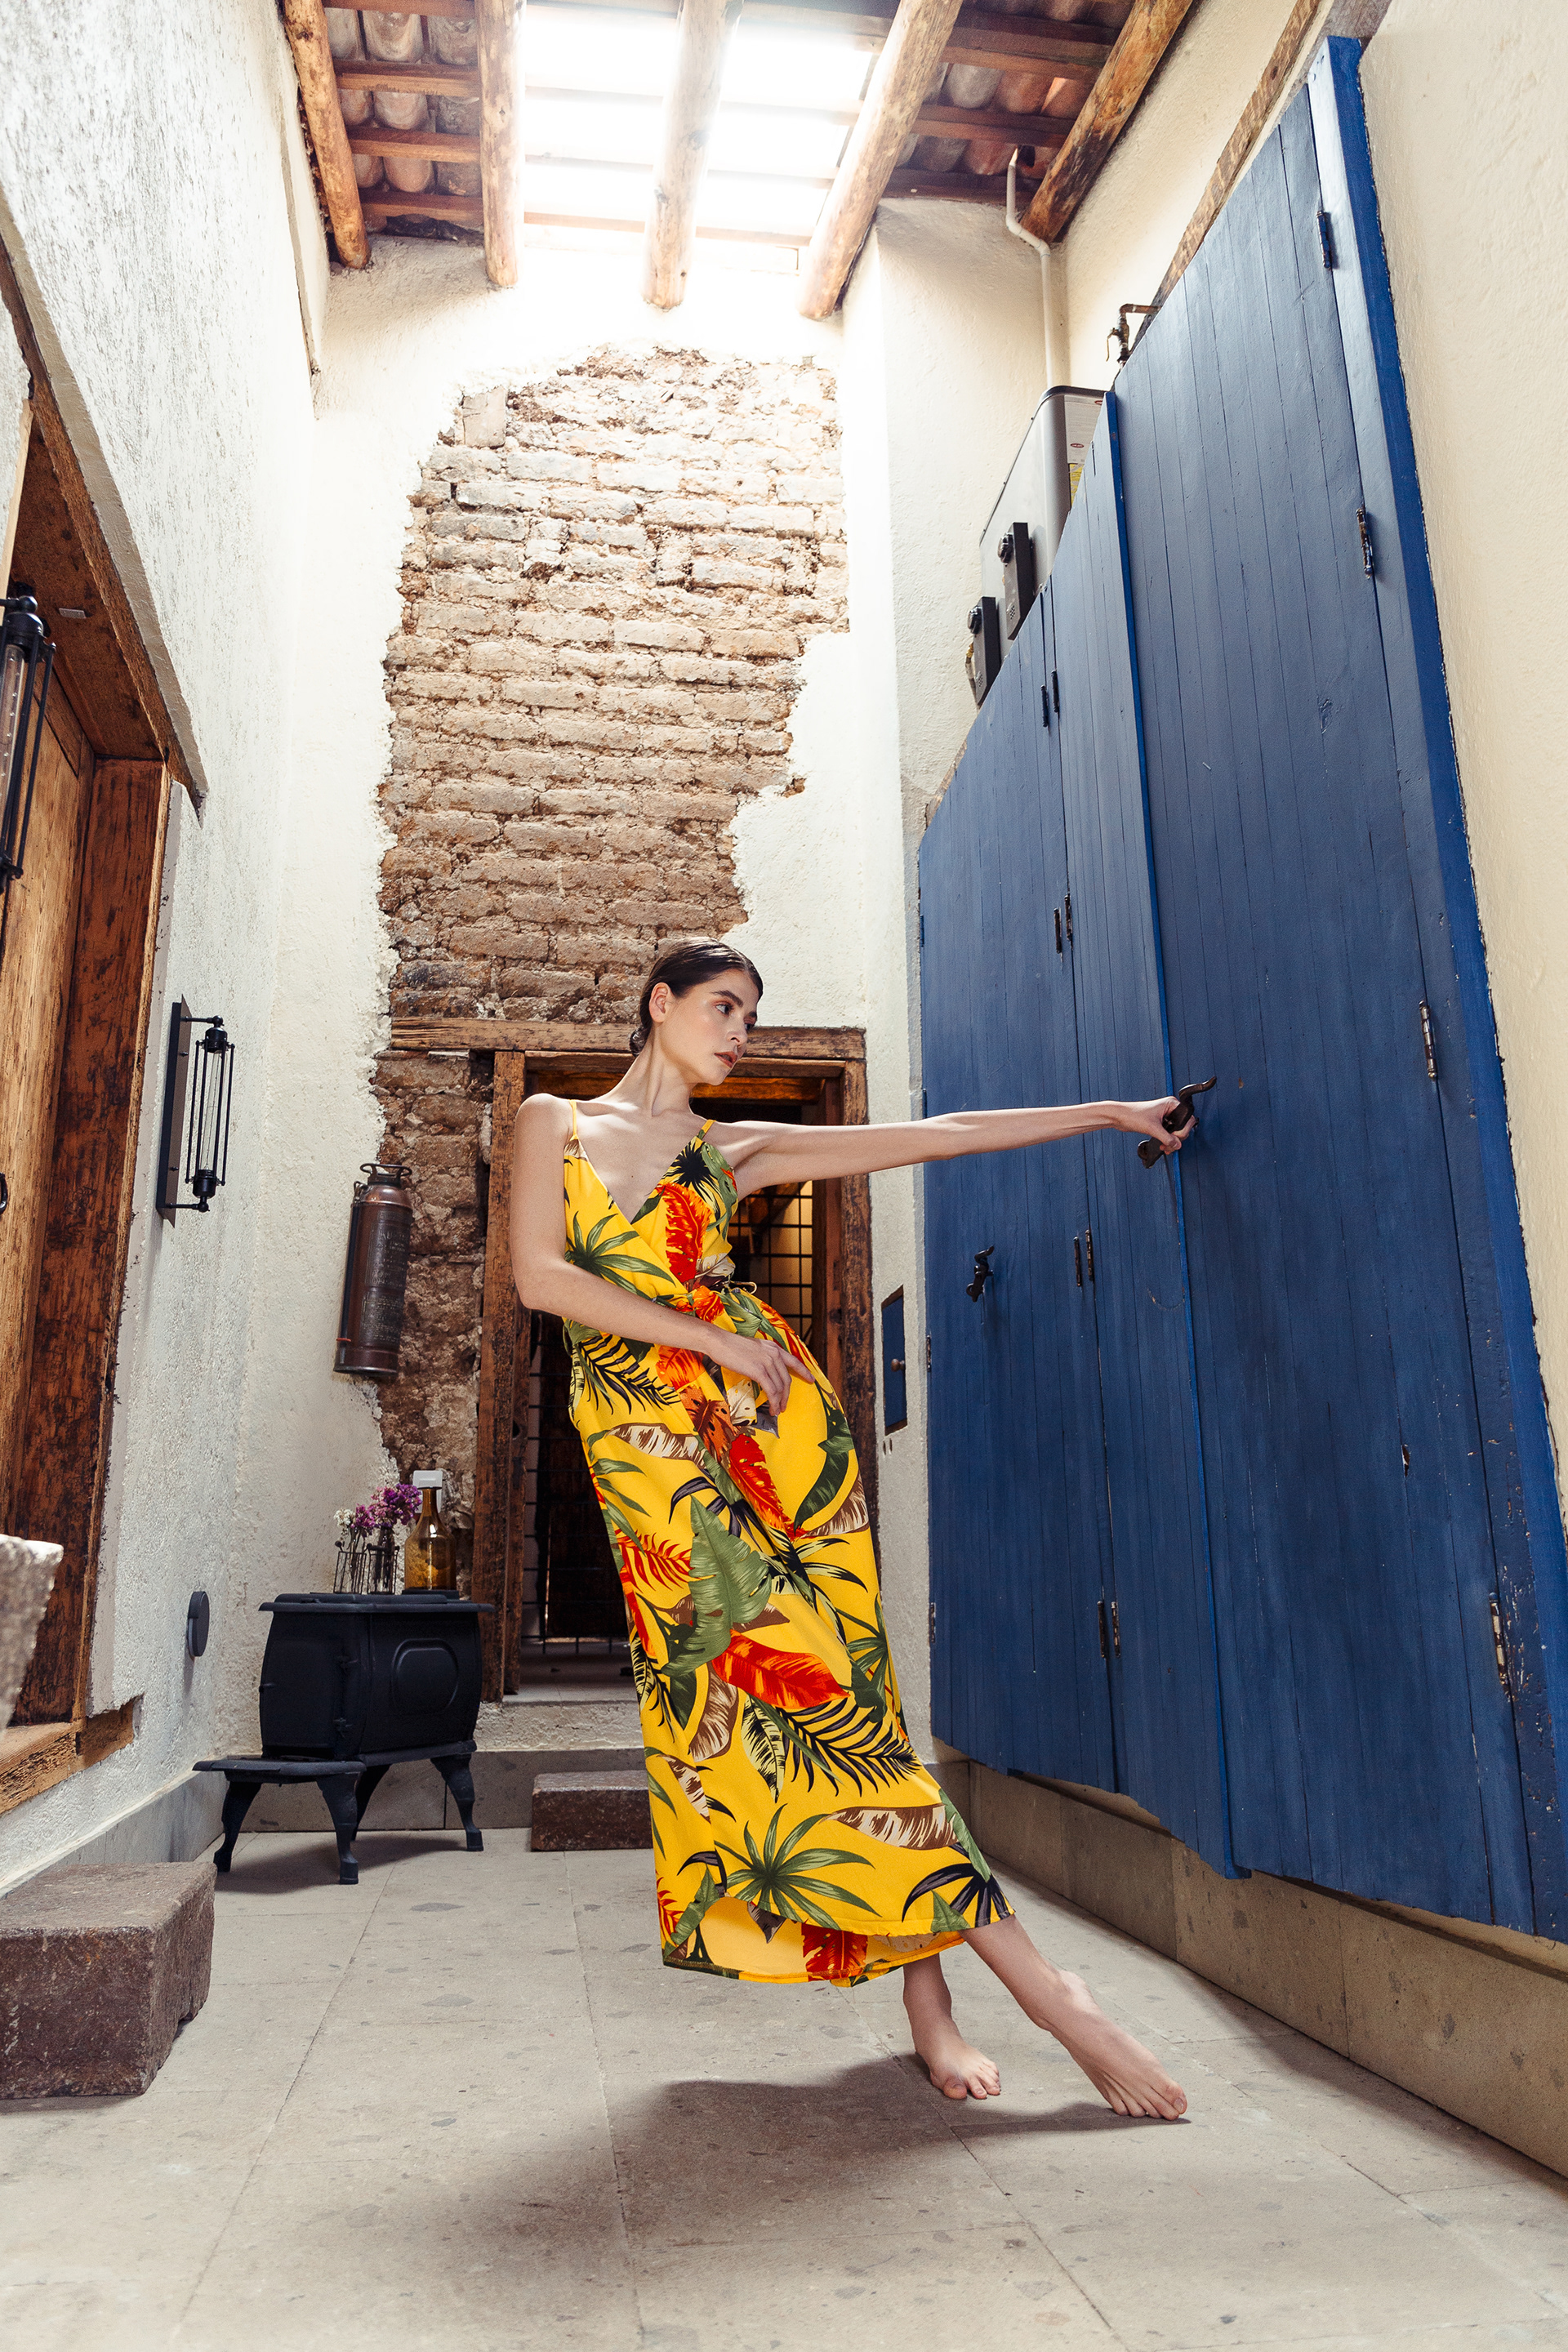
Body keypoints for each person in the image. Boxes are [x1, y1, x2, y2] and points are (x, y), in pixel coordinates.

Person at [511, 939, 1188, 2120]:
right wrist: (713, 1338)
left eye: (752, 1019)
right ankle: (1044, 1992)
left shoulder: (736, 1149)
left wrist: (1108, 1114)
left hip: (780, 1438)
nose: (738, 1035)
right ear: (659, 1004)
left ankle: (970, 2002)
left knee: (853, 1711)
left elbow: (943, 1135)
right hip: (654, 1453)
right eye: (722, 1008)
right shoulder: (550, 1123)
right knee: (789, 1710)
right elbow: (540, 1280)